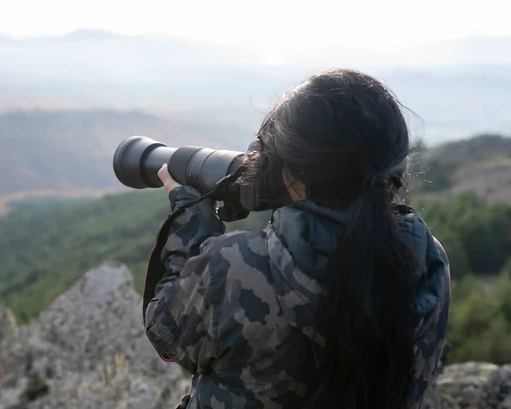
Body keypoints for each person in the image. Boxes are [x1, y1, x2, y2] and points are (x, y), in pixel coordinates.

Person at [144, 69, 450, 409]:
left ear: (290, 171)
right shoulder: (427, 259)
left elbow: (166, 331)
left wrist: (190, 227)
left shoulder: (234, 270)